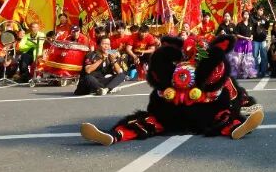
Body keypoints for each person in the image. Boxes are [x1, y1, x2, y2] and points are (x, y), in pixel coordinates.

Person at [79, 33, 263, 145]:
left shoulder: (211, 70)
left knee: (223, 116)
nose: (190, 57)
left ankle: (238, 128)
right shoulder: (173, 67)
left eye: (195, 54)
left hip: (203, 112)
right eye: (188, 54)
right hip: (172, 113)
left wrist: (244, 103)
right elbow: (159, 83)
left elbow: (230, 93)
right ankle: (113, 135)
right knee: (146, 121)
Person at [250, 6, 271, 78]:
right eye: (260, 10)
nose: (261, 11)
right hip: (255, 40)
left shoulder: (264, 18)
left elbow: (267, 27)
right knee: (255, 56)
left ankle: (264, 71)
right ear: (257, 10)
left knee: (264, 56)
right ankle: (256, 71)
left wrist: (267, 21)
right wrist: (257, 23)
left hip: (263, 40)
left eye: (262, 10)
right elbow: (251, 26)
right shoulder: (252, 18)